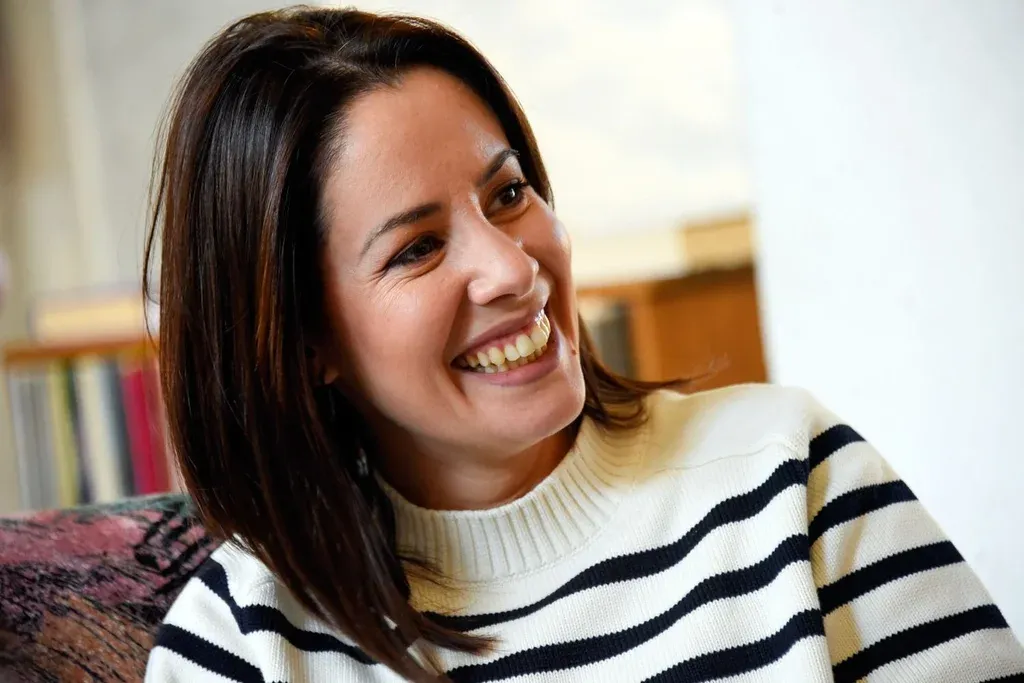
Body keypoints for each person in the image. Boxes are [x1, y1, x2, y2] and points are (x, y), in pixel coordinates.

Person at [143, 7, 1024, 683]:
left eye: (508, 194)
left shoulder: (790, 475)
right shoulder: (240, 640)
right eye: (418, 248)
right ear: (303, 340)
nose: (511, 267)